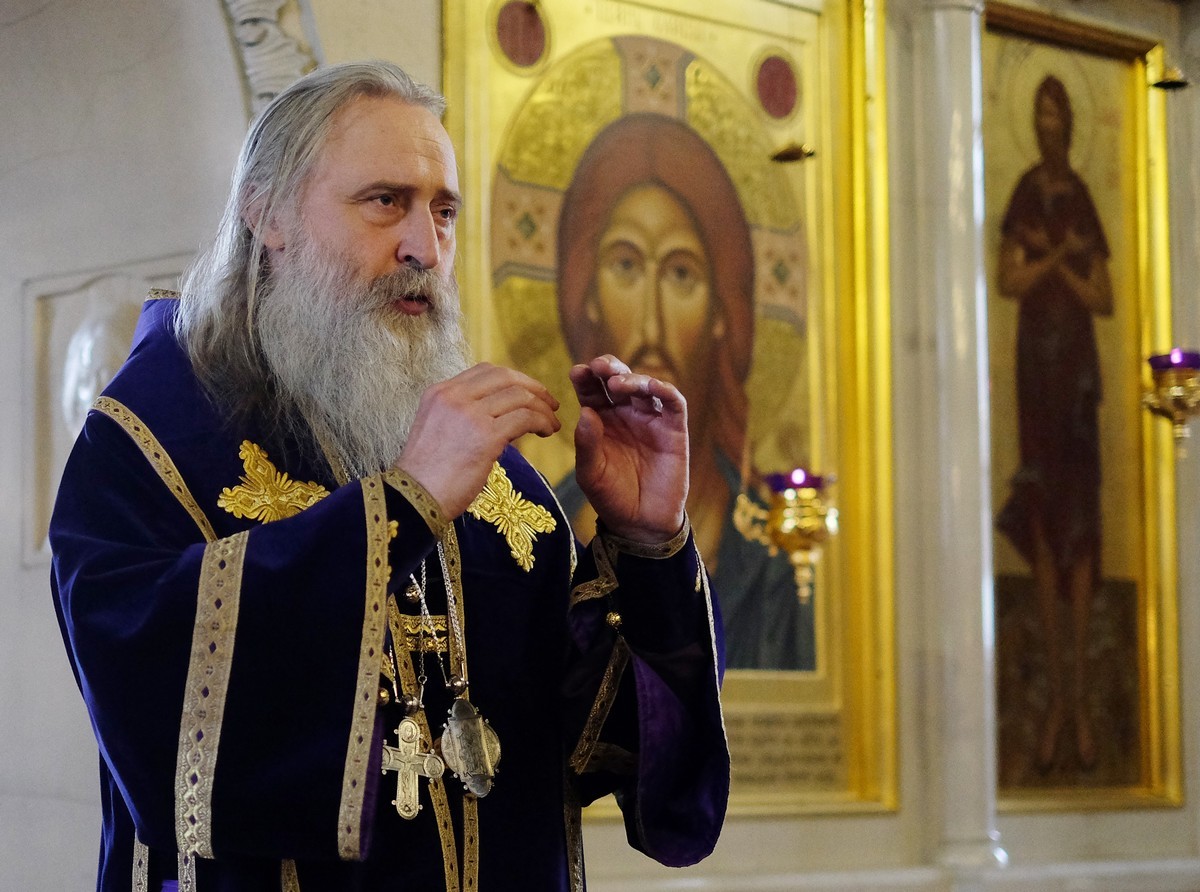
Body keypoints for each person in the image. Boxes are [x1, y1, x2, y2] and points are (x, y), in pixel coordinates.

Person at [50, 61, 729, 892]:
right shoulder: (155, 436)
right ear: (267, 213)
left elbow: (606, 746)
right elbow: (155, 707)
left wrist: (648, 543)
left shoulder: (500, 479)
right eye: (384, 201)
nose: (424, 248)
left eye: (443, 212)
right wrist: (400, 508)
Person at [554, 113, 813, 670]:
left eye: (680, 273)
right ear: (588, 296)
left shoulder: (771, 559)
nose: (652, 322)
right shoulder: (541, 530)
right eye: (626, 264)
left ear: (722, 311)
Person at [995, 74, 1113, 771]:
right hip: (1035, 377)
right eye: (1038, 114)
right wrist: (1054, 259)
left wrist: (1058, 261)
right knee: (1043, 520)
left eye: (1055, 114)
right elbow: (1008, 281)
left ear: (1068, 122)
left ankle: (1079, 702)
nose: (1047, 124)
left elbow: (1104, 297)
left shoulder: (1081, 199)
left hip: (1075, 376)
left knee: (1081, 523)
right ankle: (1058, 702)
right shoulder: (1023, 194)